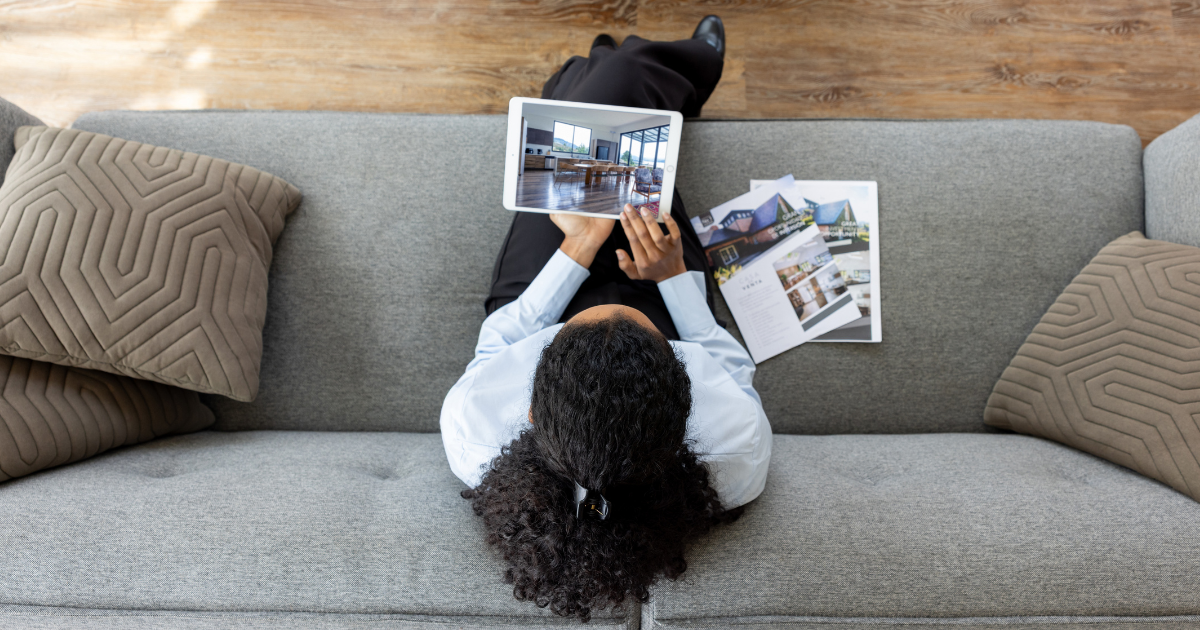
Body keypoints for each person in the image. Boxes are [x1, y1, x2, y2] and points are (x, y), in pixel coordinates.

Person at [440, 16, 772, 621]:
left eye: (590, 320)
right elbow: (728, 363)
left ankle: (590, 69)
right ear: (683, 401)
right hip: (667, 305)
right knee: (621, 121)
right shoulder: (734, 451)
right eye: (625, 320)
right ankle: (668, 65)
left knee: (586, 118)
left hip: (540, 305)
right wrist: (671, 277)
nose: (605, 304)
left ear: (533, 405)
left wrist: (578, 250)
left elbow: (501, 341)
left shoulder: (477, 434)